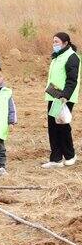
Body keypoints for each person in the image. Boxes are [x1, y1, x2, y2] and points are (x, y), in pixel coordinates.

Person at [42, 32, 80, 168]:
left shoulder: (72, 57)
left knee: (62, 125)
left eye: (57, 42)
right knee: (53, 127)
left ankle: (70, 155)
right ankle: (56, 158)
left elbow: (72, 80)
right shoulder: (57, 57)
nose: (54, 44)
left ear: (65, 43)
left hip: (63, 98)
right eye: (53, 42)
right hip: (54, 96)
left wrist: (65, 95)